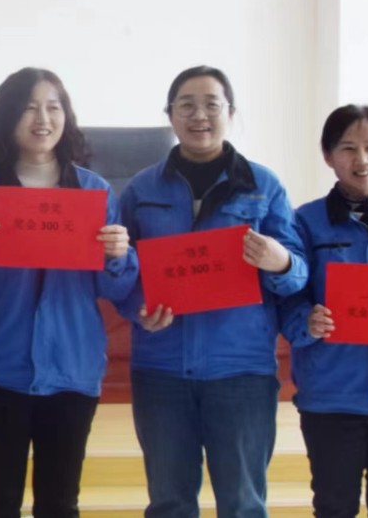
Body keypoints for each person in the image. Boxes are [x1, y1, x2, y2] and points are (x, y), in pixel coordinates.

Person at [0, 67, 137, 518]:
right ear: (8, 119)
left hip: (71, 368)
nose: (43, 119)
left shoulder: (95, 192)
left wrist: (118, 255)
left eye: (53, 107)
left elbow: (117, 289)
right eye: (29, 108)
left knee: (60, 503)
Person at [117, 65, 307, 518]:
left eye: (211, 105)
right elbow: (120, 269)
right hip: (162, 369)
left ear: (231, 113)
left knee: (242, 504)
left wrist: (279, 260)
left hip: (240, 371)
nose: (199, 115)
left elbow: (298, 275)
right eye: (186, 105)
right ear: (170, 115)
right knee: (169, 503)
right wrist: (138, 307)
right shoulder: (141, 189)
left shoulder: (264, 185)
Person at [279, 104, 368, 518]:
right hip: (332, 396)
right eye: (348, 148)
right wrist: (306, 322)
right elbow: (287, 297)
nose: (362, 159)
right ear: (328, 156)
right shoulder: (305, 222)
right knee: (334, 507)